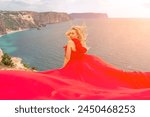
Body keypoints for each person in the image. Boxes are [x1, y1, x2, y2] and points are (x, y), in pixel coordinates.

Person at [0, 25, 150, 99]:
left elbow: (67, 58)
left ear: (75, 34)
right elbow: (82, 51)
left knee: (76, 83)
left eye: (73, 33)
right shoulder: (80, 41)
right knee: (115, 75)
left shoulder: (71, 42)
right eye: (70, 33)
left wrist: (62, 69)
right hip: (90, 61)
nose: (71, 34)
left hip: (78, 64)